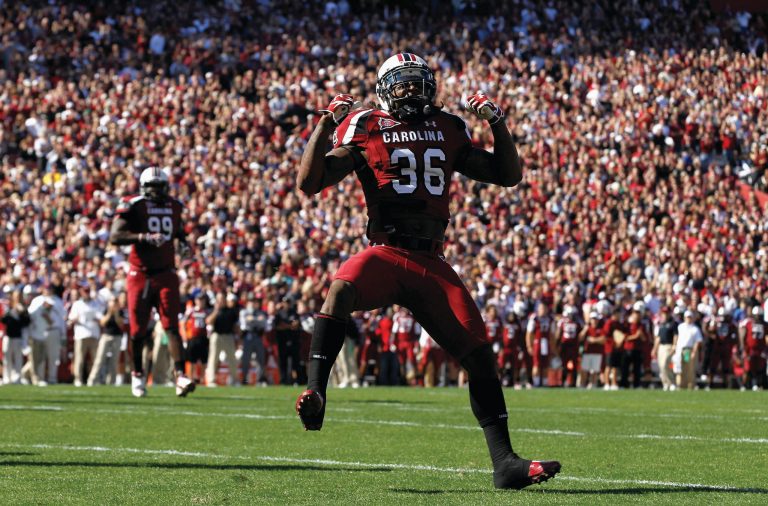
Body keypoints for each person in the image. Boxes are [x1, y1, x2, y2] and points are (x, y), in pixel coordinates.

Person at [294, 53, 559, 490]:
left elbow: (506, 175)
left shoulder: (448, 126)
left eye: (420, 83)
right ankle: (317, 391)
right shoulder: (365, 125)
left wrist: (498, 123)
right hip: (386, 251)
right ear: (384, 89)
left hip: (431, 261)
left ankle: (506, 463)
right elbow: (309, 182)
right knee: (340, 288)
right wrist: (324, 125)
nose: (413, 91)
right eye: (403, 84)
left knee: (480, 355)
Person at [109, 166, 195, 398]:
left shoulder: (174, 206)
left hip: (166, 273)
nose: (157, 192)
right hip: (140, 274)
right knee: (138, 331)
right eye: (152, 187)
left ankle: (180, 376)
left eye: (160, 187)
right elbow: (115, 236)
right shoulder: (133, 204)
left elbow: (177, 231)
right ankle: (137, 374)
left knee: (172, 325)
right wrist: (143, 237)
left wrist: (184, 243)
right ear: (144, 187)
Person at [68, 286, 105, 387]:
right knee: (79, 359)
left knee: (95, 359)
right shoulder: (77, 304)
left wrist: (96, 319)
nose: (86, 294)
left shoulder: (95, 304)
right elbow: (71, 319)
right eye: (84, 292)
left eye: (87, 292)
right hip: (80, 334)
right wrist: (76, 319)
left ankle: (93, 379)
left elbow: (101, 318)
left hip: (93, 334)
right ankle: (78, 379)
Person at [87, 293, 127, 386]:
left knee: (114, 360)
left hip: (117, 337)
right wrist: (109, 312)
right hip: (106, 336)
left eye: (115, 301)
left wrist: (116, 313)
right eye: (112, 301)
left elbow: (120, 324)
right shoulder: (105, 310)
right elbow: (103, 323)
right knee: (99, 359)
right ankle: (92, 380)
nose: (114, 303)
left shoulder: (120, 311)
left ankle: (111, 381)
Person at [205, 292, 241, 387]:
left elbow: (235, 326)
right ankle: (211, 380)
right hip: (216, 336)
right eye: (219, 299)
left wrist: (238, 338)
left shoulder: (231, 311)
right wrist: (216, 311)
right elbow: (208, 321)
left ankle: (235, 380)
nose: (220, 301)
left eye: (222, 299)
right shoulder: (213, 310)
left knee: (232, 359)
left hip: (228, 336)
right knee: (213, 358)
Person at [1, 290, 30, 384]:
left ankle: (17, 377)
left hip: (18, 336)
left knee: (18, 358)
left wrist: (20, 313)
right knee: (7, 358)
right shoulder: (8, 306)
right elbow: (3, 320)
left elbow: (26, 322)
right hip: (8, 336)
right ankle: (7, 377)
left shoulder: (23, 308)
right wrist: (12, 313)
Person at [239, 294, 268, 385]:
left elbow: (263, 323)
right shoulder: (243, 312)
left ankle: (260, 379)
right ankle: (244, 379)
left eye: (254, 301)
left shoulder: (261, 312)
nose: (253, 303)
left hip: (258, 336)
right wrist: (256, 320)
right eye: (251, 301)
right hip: (248, 336)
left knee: (260, 358)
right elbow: (245, 323)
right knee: (246, 359)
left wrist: (253, 319)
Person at [674, 310, 704, 390]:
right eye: (687, 317)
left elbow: (697, 341)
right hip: (680, 349)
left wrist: (694, 352)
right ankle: (680, 385)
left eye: (690, 317)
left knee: (689, 368)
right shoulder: (680, 327)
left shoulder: (695, 329)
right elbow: (677, 338)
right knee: (680, 368)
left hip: (688, 350)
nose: (689, 319)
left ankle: (690, 385)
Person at [652, 307, 677, 391]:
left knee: (666, 364)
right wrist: (654, 349)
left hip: (669, 346)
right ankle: (665, 383)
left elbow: (675, 335)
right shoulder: (661, 324)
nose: (665, 315)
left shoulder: (673, 323)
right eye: (663, 313)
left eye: (666, 313)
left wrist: (674, 345)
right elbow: (658, 338)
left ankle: (671, 382)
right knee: (661, 366)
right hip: (661, 347)